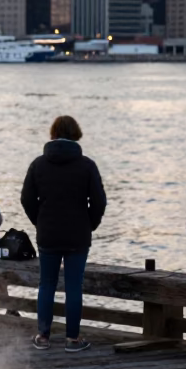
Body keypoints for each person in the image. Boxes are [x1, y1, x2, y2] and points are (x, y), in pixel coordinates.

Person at [21, 115, 106, 351]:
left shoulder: (38, 164)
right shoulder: (87, 165)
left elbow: (26, 199)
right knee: (74, 286)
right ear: (76, 134)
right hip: (78, 234)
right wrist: (89, 224)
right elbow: (99, 201)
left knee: (46, 284)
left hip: (48, 233)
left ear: (53, 133)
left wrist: (39, 221)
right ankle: (72, 339)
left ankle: (43, 336)